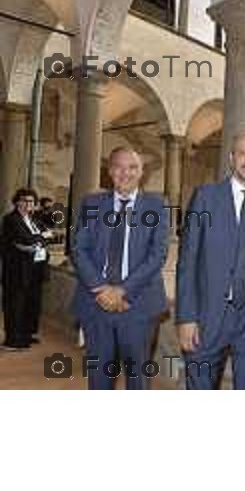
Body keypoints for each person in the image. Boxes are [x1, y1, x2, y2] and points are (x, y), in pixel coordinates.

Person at [176, 131, 245, 390]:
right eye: (242, 154)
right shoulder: (205, 197)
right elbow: (187, 261)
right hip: (207, 317)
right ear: (231, 157)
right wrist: (186, 317)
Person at [71, 147, 169, 390]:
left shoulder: (157, 206)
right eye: (119, 167)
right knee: (99, 378)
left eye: (132, 167)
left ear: (141, 172)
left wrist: (122, 291)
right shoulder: (92, 203)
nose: (125, 173)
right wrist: (101, 289)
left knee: (137, 378)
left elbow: (157, 254)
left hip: (139, 305)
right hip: (96, 305)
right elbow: (79, 249)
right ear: (109, 170)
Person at [1, 188, 51, 350]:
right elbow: (25, 238)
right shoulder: (11, 219)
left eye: (31, 201)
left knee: (31, 302)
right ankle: (12, 339)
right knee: (15, 303)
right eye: (24, 200)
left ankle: (25, 334)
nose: (28, 204)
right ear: (16, 202)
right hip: (18, 269)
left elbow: (48, 235)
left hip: (35, 267)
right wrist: (40, 238)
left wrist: (38, 239)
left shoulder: (34, 219)